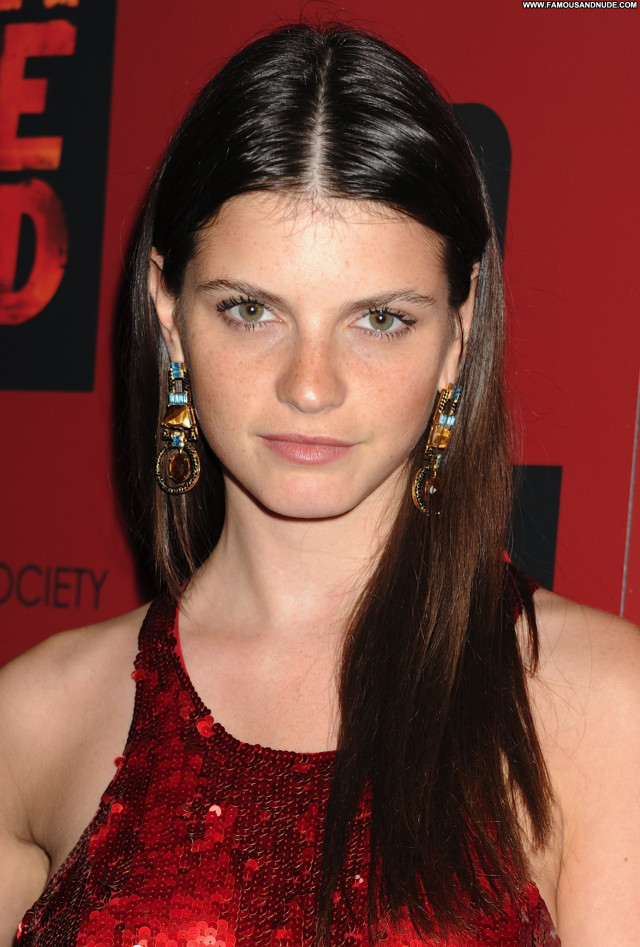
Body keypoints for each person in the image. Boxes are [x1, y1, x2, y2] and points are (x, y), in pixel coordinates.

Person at [1, 22, 639, 947]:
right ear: (169, 313)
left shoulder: (605, 708)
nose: (310, 385)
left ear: (457, 335)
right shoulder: (33, 722)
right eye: (249, 309)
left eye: (379, 319)